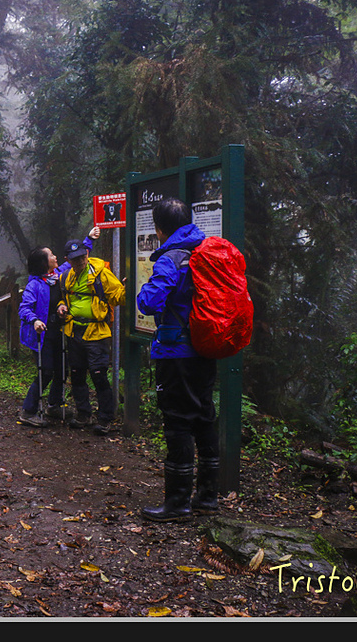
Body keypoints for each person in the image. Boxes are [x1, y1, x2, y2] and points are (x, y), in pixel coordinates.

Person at [136, 197, 218, 522]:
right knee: (204, 417)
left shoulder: (171, 258)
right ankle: (208, 497)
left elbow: (149, 301)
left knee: (178, 422)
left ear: (159, 229)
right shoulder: (204, 251)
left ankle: (177, 503)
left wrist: (143, 292)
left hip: (176, 353)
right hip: (204, 348)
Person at [56, 230, 125, 433]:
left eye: (82, 257)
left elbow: (117, 296)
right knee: (77, 374)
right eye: (75, 259)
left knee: (98, 375)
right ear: (67, 260)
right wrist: (61, 306)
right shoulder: (65, 276)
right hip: (73, 331)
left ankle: (105, 418)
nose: (79, 262)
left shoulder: (100, 272)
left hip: (96, 333)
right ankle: (83, 414)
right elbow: (62, 298)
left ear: (86, 255)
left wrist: (129, 288)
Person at [17, 246, 66, 426]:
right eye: (51, 255)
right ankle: (28, 411)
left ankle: (54, 405)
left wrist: (89, 239)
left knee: (62, 369)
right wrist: (35, 320)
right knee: (45, 372)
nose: (55, 256)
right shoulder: (35, 285)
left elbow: (72, 261)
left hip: (57, 332)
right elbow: (24, 308)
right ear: (44, 262)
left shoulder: (57, 277)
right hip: (41, 335)